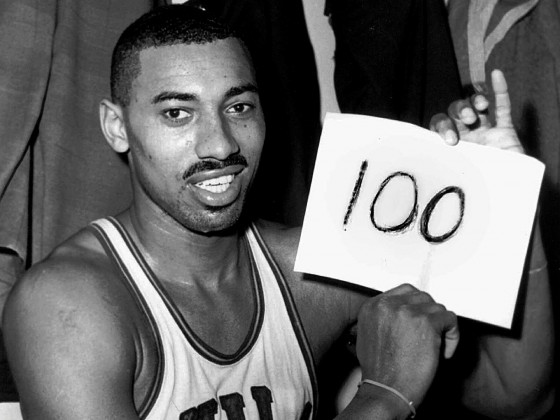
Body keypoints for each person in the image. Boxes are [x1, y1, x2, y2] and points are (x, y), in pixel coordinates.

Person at [1, 4, 554, 419]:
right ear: (117, 127)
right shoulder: (70, 306)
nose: (219, 144)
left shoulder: (311, 269)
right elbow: (396, 390)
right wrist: (383, 399)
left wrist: (508, 206)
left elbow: (517, 397)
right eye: (177, 113)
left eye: (238, 107)